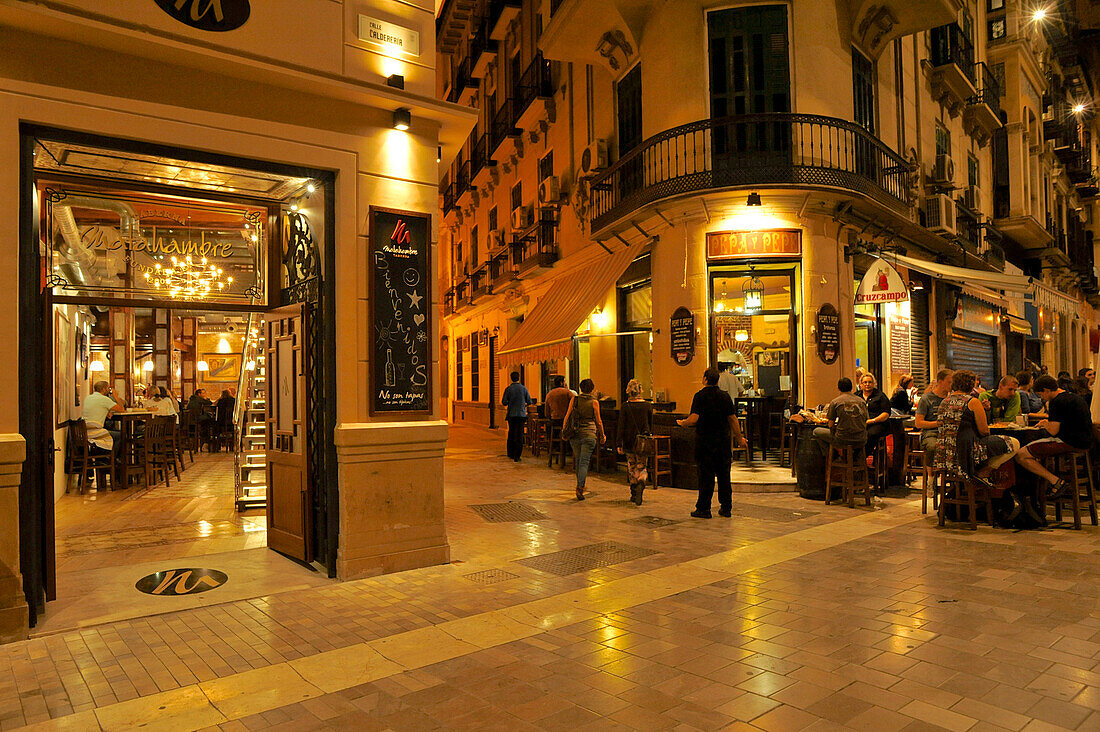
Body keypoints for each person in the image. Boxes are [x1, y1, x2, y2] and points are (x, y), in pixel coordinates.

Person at [677, 368, 748, 519]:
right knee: (724, 476)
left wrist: (683, 423)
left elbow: (694, 418)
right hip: (722, 442)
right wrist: (739, 438)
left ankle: (703, 508)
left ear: (705, 379)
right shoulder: (725, 396)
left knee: (705, 477)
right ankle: (726, 507)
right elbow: (733, 419)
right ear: (717, 380)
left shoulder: (700, 396)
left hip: (705, 443)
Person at [1015, 374, 1095, 498]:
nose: (1042, 398)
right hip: (1085, 442)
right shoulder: (1075, 397)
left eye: (1041, 394)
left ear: (1046, 390)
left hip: (1069, 442)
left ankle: (1056, 482)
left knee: (1021, 454)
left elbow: (1053, 431)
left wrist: (1045, 424)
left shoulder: (1056, 401)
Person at [562, 379, 605, 500]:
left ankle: (580, 485)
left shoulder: (574, 400)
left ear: (581, 388)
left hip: (575, 434)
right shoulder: (594, 402)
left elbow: (567, 415)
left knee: (579, 460)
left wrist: (563, 430)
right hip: (589, 434)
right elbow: (598, 421)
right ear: (592, 389)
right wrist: (602, 434)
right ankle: (580, 486)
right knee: (584, 462)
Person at [617, 379, 654, 505]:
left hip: (628, 441)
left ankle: (633, 493)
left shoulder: (625, 406)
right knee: (642, 465)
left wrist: (618, 443)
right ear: (640, 390)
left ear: (628, 390)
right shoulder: (648, 405)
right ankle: (641, 484)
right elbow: (650, 423)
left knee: (632, 466)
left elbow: (621, 425)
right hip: (643, 440)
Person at [812, 377, 868, 447]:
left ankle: (834, 456)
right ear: (851, 387)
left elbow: (830, 424)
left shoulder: (835, 402)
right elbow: (865, 420)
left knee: (816, 431)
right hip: (861, 438)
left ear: (838, 388)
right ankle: (854, 456)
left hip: (842, 438)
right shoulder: (862, 401)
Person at [914, 369, 952, 459]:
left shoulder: (953, 398)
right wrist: (937, 423)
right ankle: (930, 473)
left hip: (950, 433)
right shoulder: (927, 399)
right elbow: (918, 423)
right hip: (931, 433)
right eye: (949, 382)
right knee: (933, 446)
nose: (952, 385)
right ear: (940, 382)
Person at [501, 372, 535, 462]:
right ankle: (517, 455)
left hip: (511, 414)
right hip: (521, 414)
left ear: (511, 378)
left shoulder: (508, 389)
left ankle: (510, 453)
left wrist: (510, 402)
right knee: (519, 434)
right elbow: (530, 401)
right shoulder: (523, 389)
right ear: (519, 378)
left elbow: (504, 402)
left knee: (511, 433)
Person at [83, 380, 125, 451]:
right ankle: (112, 459)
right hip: (94, 432)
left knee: (113, 431)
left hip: (84, 430)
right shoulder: (105, 399)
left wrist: (108, 411)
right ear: (103, 389)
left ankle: (103, 457)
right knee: (120, 435)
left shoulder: (88, 398)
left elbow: (97, 408)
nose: (109, 390)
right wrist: (116, 396)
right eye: (108, 388)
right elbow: (121, 409)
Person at [858, 373, 890, 451]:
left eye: (870, 382)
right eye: (865, 382)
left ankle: (862, 456)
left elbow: (886, 414)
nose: (867, 384)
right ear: (861, 384)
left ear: (874, 383)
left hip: (877, 423)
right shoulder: (857, 396)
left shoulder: (880, 396)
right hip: (860, 424)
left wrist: (873, 420)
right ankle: (849, 456)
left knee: (870, 434)